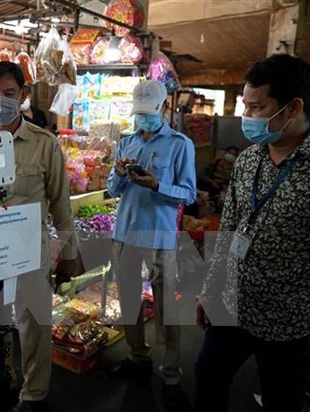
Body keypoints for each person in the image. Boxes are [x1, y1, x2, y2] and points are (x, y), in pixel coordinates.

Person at [195, 54, 310, 411]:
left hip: (294, 319)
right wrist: (210, 288)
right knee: (208, 376)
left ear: (294, 107)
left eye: (256, 107)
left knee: (282, 398)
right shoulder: (250, 159)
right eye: (244, 106)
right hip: (233, 303)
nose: (246, 116)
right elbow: (231, 226)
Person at [0, 61, 78, 412]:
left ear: (23, 96)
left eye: (9, 93)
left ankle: (34, 393)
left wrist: (68, 254)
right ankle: (0, 380)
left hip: (28, 248)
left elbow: (61, 203)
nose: (0, 101)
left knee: (33, 323)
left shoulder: (44, 143)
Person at [106, 80, 197, 388]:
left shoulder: (180, 144)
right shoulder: (126, 141)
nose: (143, 118)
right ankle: (137, 356)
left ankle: (171, 371)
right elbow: (111, 189)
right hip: (125, 233)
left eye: (149, 112)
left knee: (166, 306)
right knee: (129, 302)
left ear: (163, 108)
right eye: (139, 112)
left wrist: (157, 185)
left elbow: (189, 193)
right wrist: (119, 174)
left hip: (160, 237)